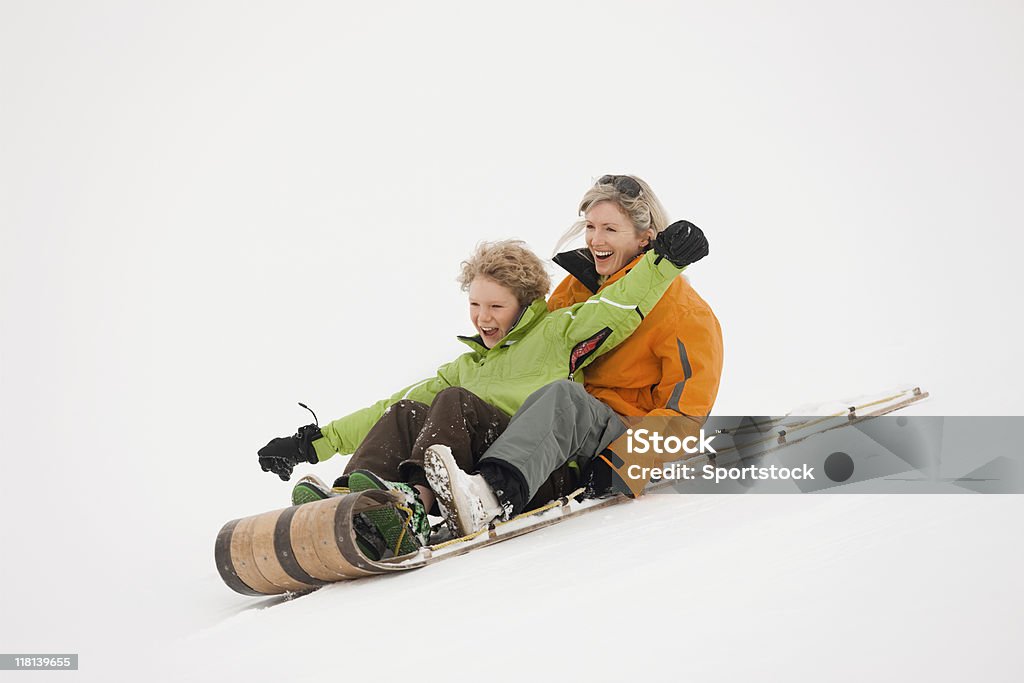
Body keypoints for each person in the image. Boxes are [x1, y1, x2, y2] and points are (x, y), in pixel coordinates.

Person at [257, 222, 708, 557]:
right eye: (475, 304)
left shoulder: (557, 332)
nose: (483, 317)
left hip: (533, 472)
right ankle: (356, 506)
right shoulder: (466, 366)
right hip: (464, 480)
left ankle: (421, 506)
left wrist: (664, 261)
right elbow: (386, 406)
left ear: (525, 305)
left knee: (457, 403)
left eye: (496, 306)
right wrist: (312, 444)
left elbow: (618, 306)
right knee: (407, 411)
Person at [422, 174, 724, 537]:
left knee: (564, 398)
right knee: (453, 402)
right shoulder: (575, 289)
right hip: (552, 433)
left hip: (614, 438)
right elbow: (540, 355)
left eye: (610, 229)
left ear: (645, 237)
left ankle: (490, 494)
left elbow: (685, 416)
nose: (596, 240)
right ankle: (385, 502)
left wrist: (625, 462)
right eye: (591, 227)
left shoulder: (685, 312)